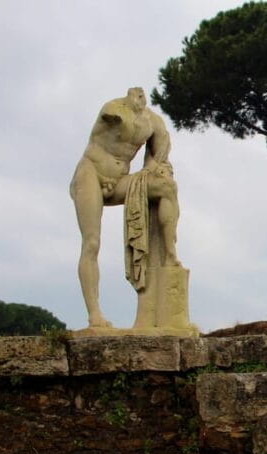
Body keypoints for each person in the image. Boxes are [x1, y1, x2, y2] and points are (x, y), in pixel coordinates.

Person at [70, 87, 180, 328]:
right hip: (91, 173)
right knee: (92, 243)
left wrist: (153, 168)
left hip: (120, 181)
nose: (140, 98)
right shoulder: (113, 109)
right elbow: (110, 116)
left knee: (167, 187)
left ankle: (170, 254)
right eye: (135, 95)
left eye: (142, 96)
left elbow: (160, 154)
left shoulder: (153, 122)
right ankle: (94, 314)